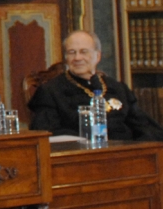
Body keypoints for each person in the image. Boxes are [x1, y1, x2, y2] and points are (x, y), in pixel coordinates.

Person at [28, 30, 163, 141]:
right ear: (66, 58)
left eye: (84, 52)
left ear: (97, 56)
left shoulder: (118, 88)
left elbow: (145, 126)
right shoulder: (50, 91)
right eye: (72, 52)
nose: (77, 58)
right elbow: (45, 134)